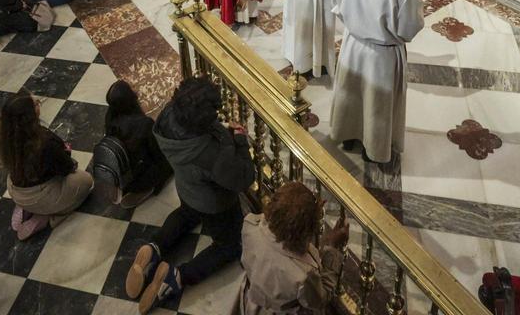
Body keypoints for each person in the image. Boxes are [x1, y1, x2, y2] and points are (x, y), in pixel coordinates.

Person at [128, 76, 255, 312]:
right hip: (215, 205)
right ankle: (177, 276)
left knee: (186, 214)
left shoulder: (168, 115)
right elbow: (243, 178)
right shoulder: (211, 154)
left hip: (187, 188)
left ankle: (153, 248)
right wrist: (239, 142)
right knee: (230, 245)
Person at [329, 0, 425, 168]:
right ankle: (373, 149)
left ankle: (348, 136)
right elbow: (409, 29)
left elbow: (336, 3)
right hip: (382, 56)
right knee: (377, 105)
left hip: (353, 45)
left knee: (350, 93)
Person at [235, 181, 347, 315]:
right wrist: (332, 249)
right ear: (306, 231)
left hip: (255, 303)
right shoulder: (302, 275)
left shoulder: (250, 225)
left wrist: (309, 210)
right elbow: (320, 299)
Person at [0, 91, 94, 240]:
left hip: (16, 190)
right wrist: (65, 152)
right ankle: (49, 216)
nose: (39, 104)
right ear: (29, 116)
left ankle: (28, 209)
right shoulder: (45, 142)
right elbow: (66, 168)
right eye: (36, 104)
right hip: (40, 195)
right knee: (85, 180)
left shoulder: (6, 137)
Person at [103, 80, 171, 208]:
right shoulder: (143, 124)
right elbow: (157, 153)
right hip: (138, 174)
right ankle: (145, 189)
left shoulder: (110, 118)